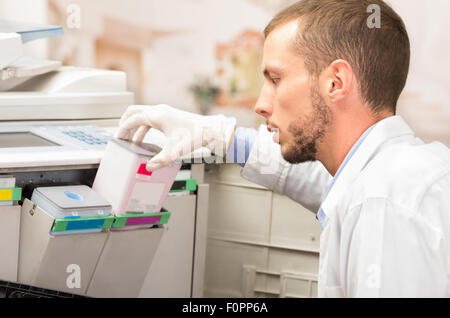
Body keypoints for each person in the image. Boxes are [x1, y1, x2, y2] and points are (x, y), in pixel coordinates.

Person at [115, 0, 450, 297]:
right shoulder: (392, 174)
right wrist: (217, 134)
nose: (260, 104)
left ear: (335, 82)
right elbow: (320, 182)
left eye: (275, 79)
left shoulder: (385, 207)